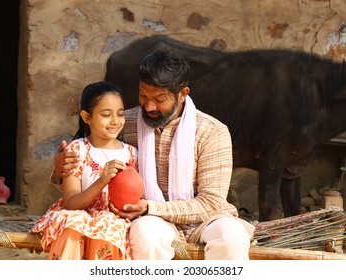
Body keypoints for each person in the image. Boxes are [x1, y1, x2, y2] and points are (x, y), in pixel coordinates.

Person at [52, 49, 255, 260]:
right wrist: (62, 171)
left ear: (183, 94)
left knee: (231, 236)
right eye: (143, 95)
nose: (149, 106)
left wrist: (151, 207)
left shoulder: (212, 132)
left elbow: (211, 203)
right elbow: (90, 167)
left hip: (207, 220)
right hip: (149, 220)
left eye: (160, 99)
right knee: (145, 234)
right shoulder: (123, 123)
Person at [31, 81, 138, 260]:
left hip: (113, 219)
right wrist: (102, 179)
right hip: (79, 213)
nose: (115, 121)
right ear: (86, 117)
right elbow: (71, 203)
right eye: (106, 114)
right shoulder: (76, 151)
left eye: (120, 114)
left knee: (108, 223)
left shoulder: (131, 153)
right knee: (72, 223)